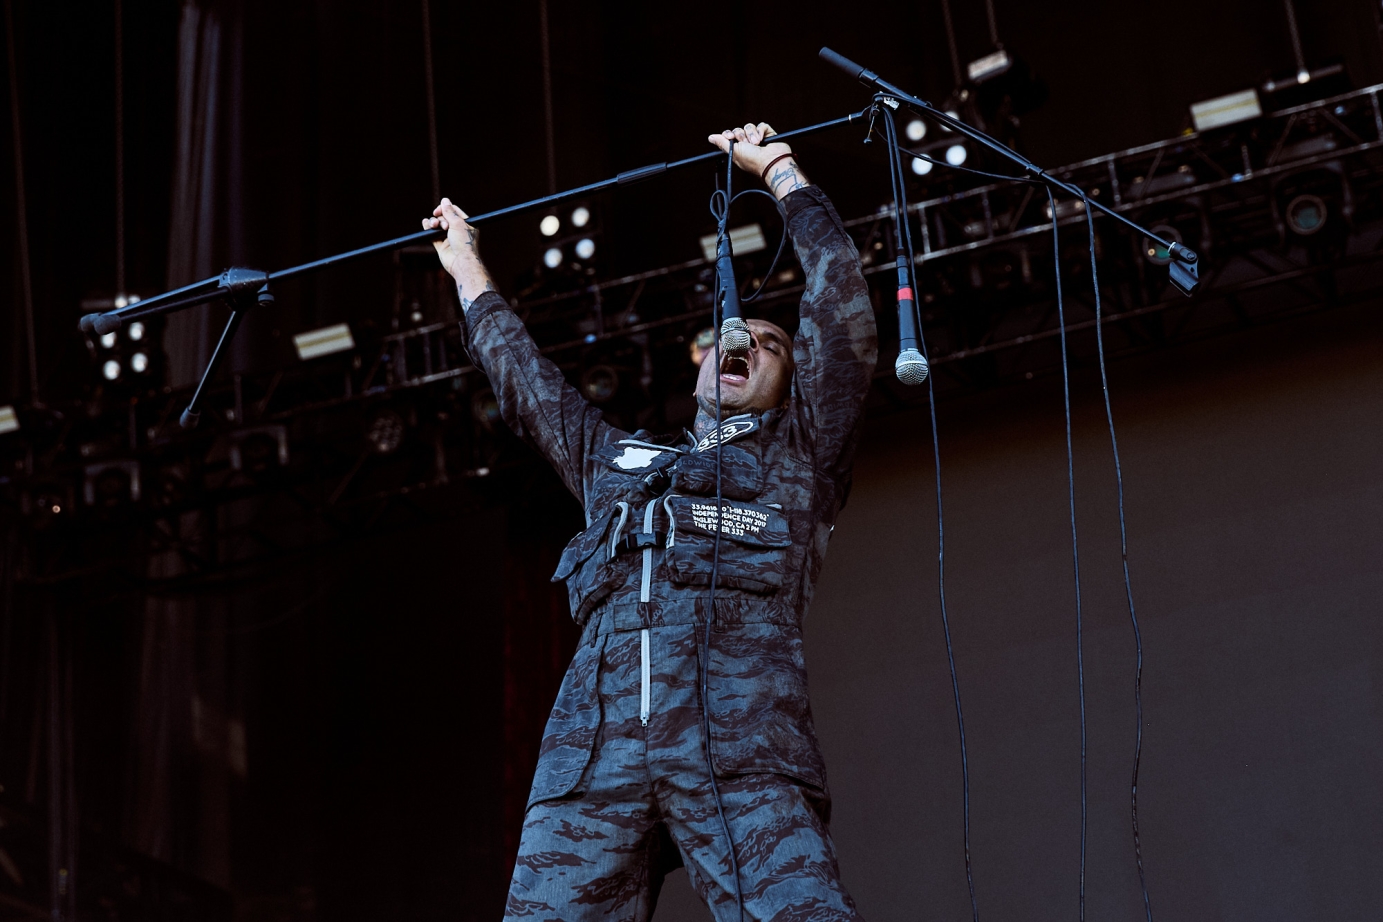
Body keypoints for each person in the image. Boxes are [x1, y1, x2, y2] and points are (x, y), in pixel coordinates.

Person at [426, 121, 877, 921]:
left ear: (788, 382)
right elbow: (526, 383)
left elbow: (841, 307)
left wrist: (780, 171)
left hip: (738, 749)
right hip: (591, 762)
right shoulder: (615, 464)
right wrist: (464, 264)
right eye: (728, 337)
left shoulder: (797, 457)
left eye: (770, 345)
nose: (743, 342)